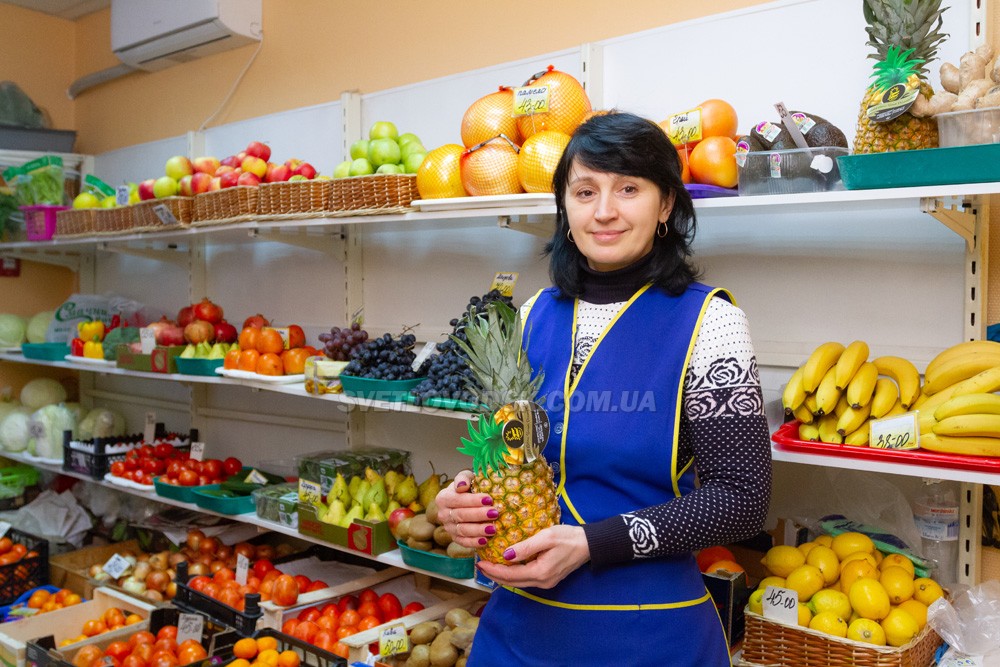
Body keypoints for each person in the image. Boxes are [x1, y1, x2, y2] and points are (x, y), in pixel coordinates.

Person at [435, 111, 772, 666]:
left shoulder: (710, 323)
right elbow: (513, 456)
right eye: (585, 190)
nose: (605, 211)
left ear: (666, 205)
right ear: (565, 209)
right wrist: (466, 499)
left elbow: (742, 501)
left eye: (629, 189)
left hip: (646, 636)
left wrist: (593, 543)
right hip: (517, 632)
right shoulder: (532, 314)